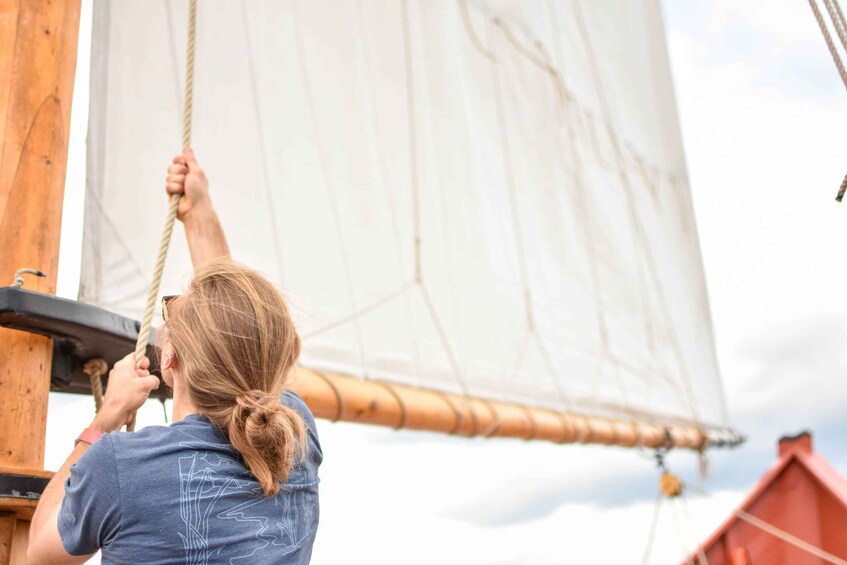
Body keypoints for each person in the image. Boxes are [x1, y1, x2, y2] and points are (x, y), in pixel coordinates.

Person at [27, 149, 321, 564]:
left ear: (170, 359)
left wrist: (106, 417)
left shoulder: (116, 466)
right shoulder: (295, 437)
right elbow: (238, 332)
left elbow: (39, 553)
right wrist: (200, 216)